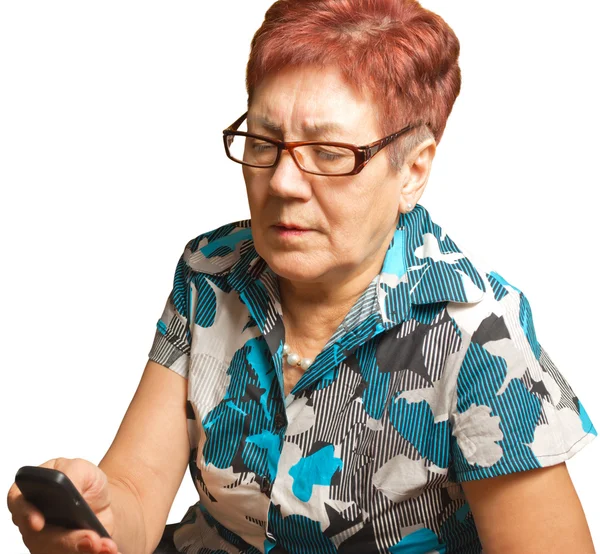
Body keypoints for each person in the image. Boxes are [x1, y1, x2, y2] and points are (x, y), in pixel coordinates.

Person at [8, 0, 598, 552]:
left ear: (413, 171)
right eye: (265, 142)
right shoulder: (210, 271)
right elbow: (136, 487)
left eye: (329, 153)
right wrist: (98, 519)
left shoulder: (477, 331)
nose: (284, 183)